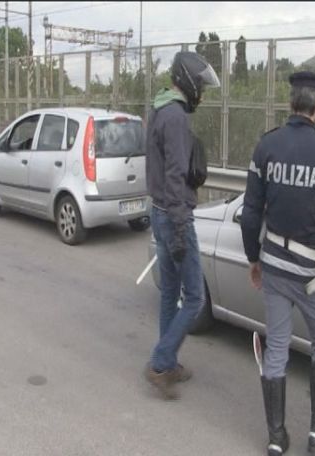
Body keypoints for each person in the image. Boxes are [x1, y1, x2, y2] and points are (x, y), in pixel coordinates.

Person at [240, 71, 315, 456]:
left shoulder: (267, 146)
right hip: (311, 275)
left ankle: (276, 439)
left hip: (274, 267)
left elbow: (250, 214)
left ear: (290, 103)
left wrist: (253, 258)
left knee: (277, 345)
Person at [144, 51, 220, 400]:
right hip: (174, 216)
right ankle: (161, 363)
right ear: (189, 82)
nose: (201, 93)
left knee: (169, 294)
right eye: (200, 86)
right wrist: (178, 228)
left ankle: (168, 363)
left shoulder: (160, 107)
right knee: (194, 298)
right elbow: (175, 175)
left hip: (159, 211)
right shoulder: (175, 116)